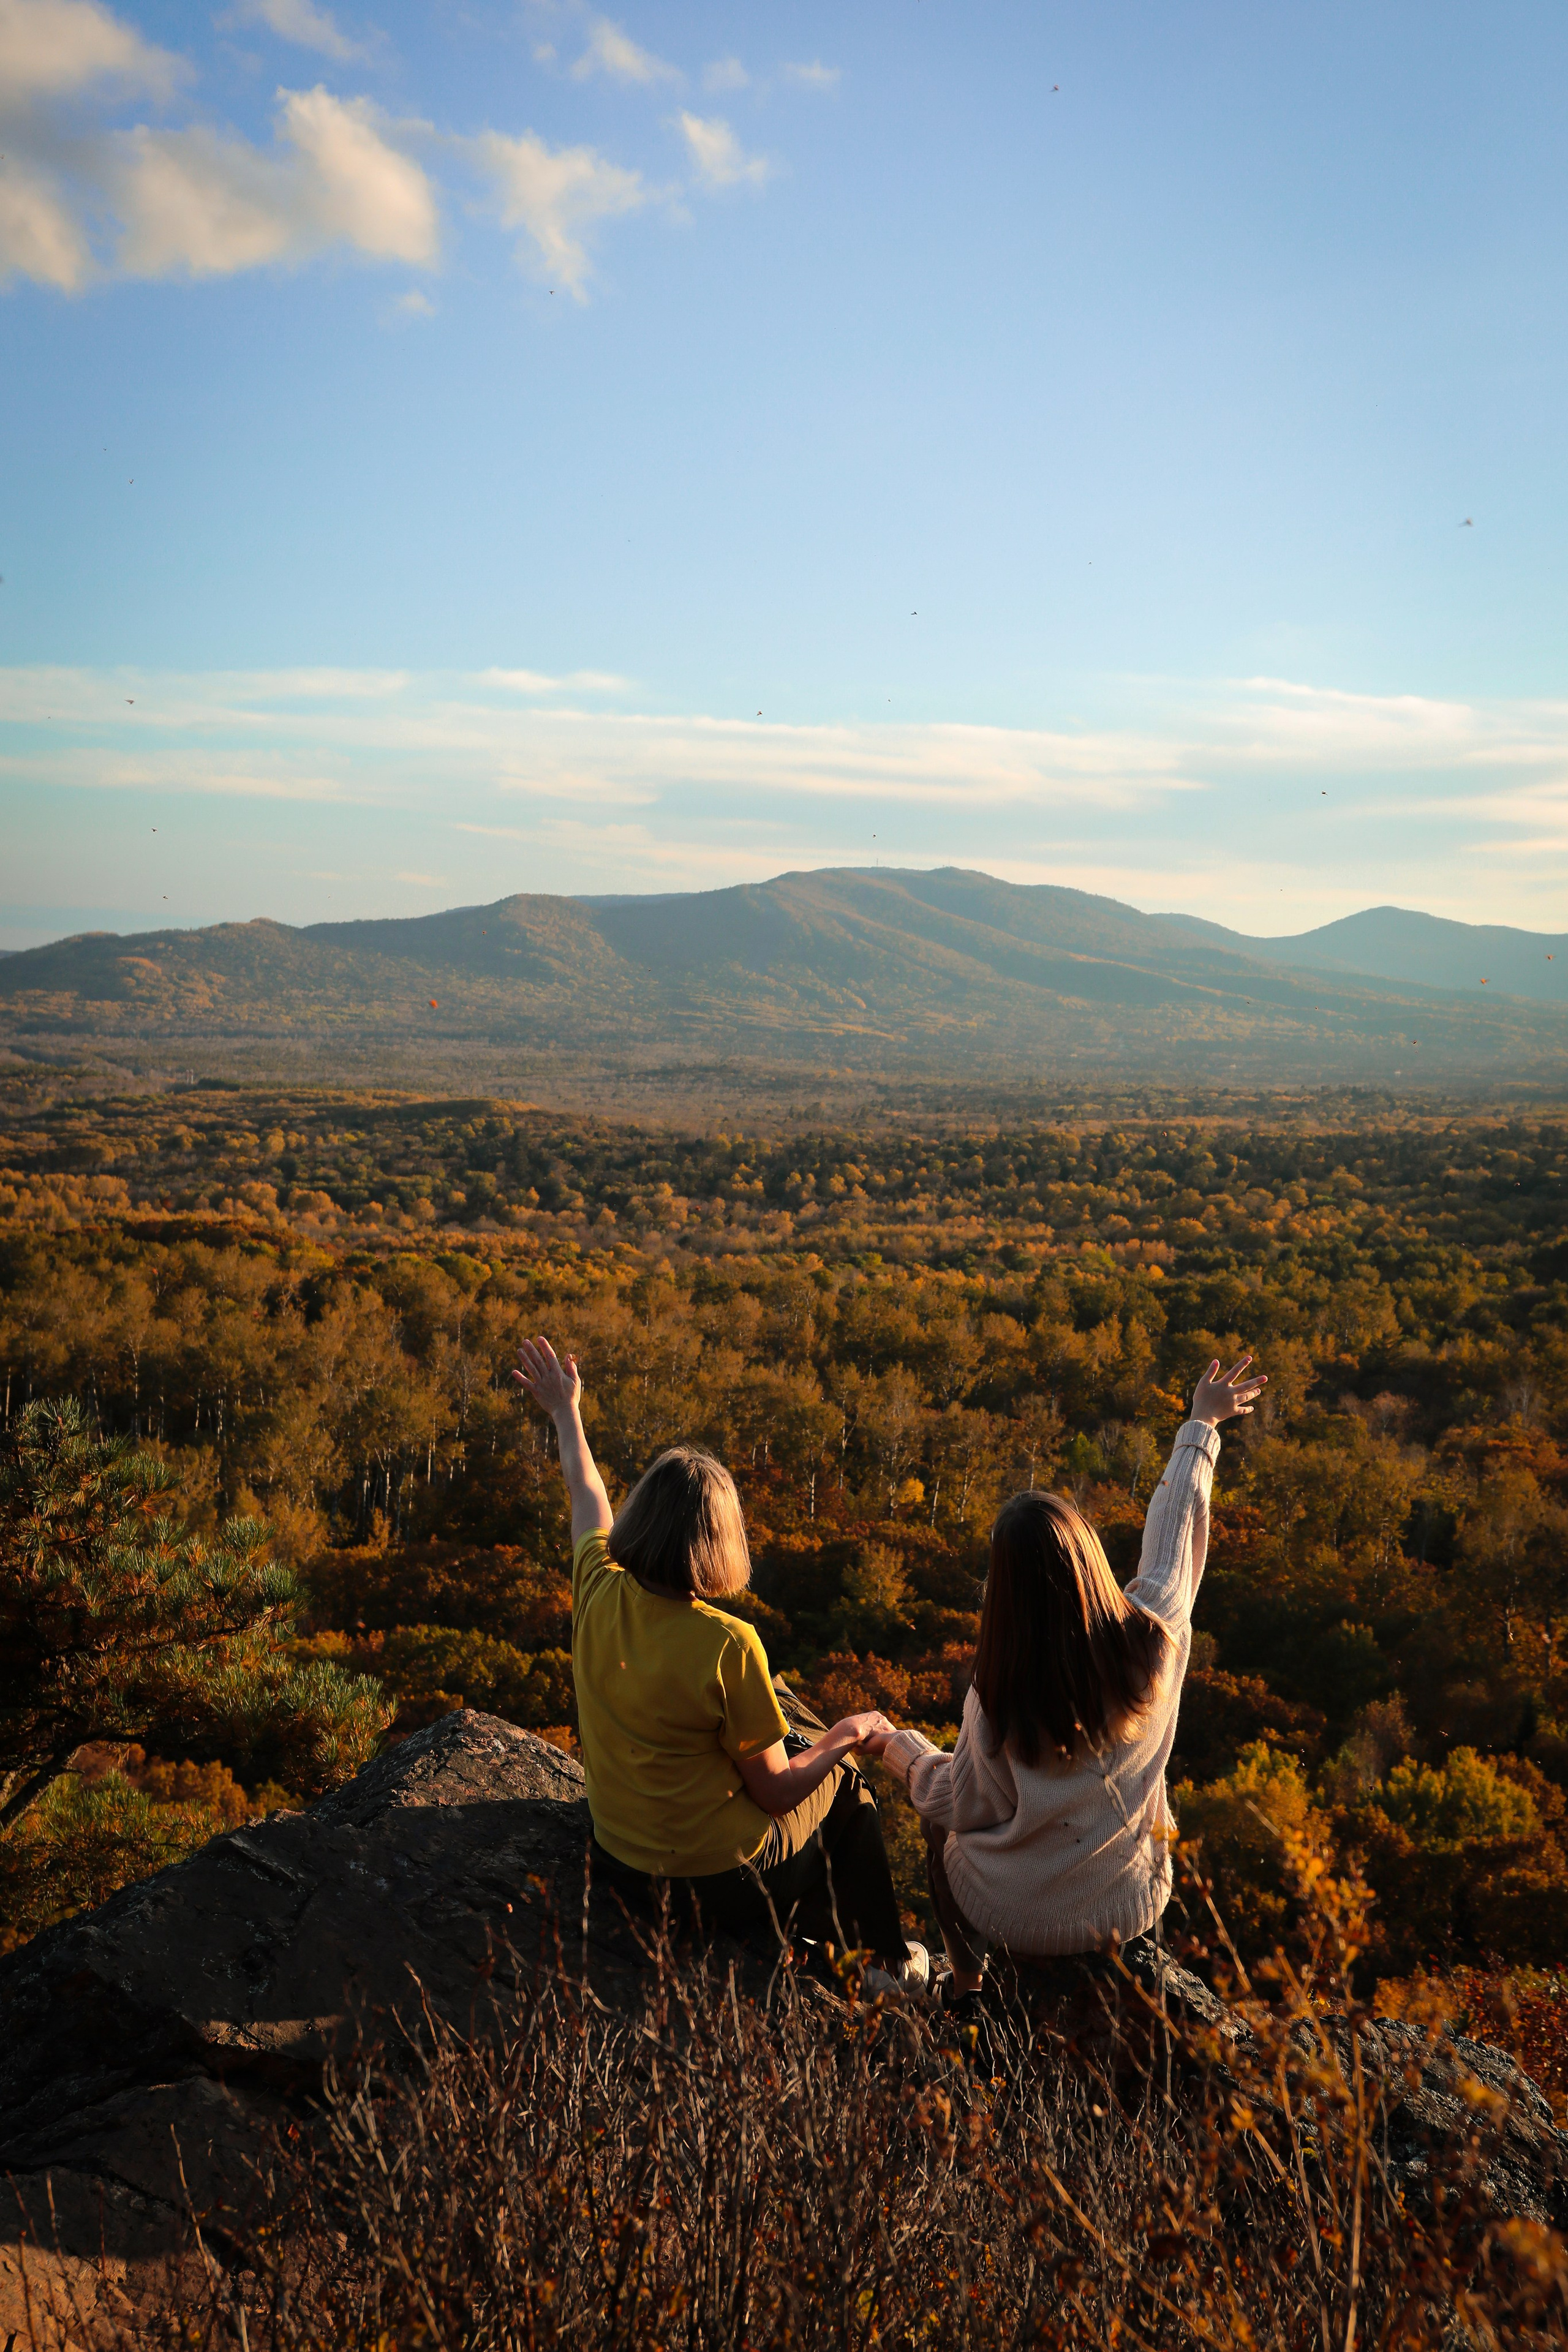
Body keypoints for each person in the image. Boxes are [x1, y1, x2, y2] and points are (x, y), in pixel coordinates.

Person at [511, 1335, 930, 1996]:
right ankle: (886, 1964)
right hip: (713, 1885)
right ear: (720, 1542)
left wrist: (566, 1413)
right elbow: (775, 1795)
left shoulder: (598, 1583)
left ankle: (833, 1941)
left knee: (780, 1703)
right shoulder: (729, 1641)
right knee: (846, 1785)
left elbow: (583, 1490)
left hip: (620, 1865)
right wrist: (846, 1735)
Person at [859, 1355, 1266, 2006]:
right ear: (1089, 1561)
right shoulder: (1154, 1640)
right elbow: (1171, 1538)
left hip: (1017, 1916)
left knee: (939, 1827)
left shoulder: (998, 1699)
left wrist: (895, 1747)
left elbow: (958, 1802)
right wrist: (1200, 1426)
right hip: (1132, 1900)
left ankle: (965, 1986)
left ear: (1005, 1594)